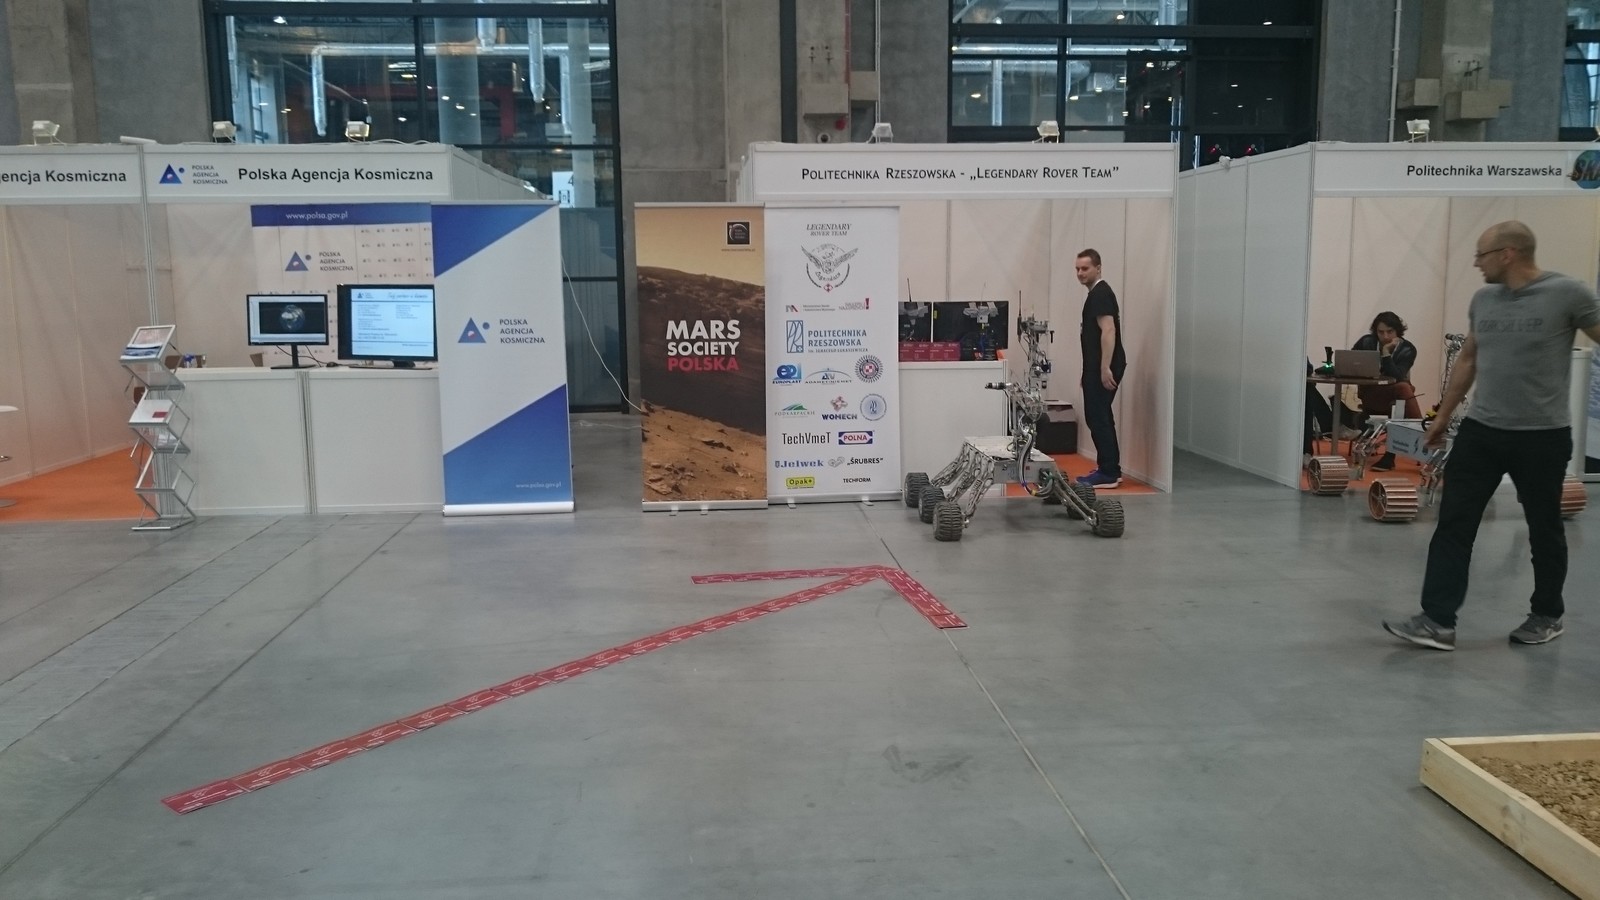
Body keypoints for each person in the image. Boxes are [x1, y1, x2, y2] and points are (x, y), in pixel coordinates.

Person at [1383, 221, 1600, 650]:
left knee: (1544, 529)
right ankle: (1437, 620)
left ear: (1508, 253)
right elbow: (1468, 358)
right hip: (1481, 432)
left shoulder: (1568, 293)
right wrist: (1442, 416)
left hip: (1542, 436)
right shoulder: (1483, 299)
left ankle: (1547, 613)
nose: (1476, 264)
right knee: (1454, 523)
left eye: (1480, 255)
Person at [1073, 250, 1126, 488]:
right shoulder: (1096, 294)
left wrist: (1104, 368)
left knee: (1098, 417)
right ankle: (1110, 468)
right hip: (1096, 367)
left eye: (1085, 268)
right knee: (1100, 416)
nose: (1080, 273)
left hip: (1105, 366)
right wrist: (1088, 372)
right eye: (1077, 269)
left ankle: (1108, 472)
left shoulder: (1101, 294)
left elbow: (1108, 330)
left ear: (1098, 268)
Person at [1352, 311, 1422, 470]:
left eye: (1390, 331)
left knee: (1401, 396)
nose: (1385, 336)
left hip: (1394, 398)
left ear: (1398, 331)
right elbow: (1351, 362)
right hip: (1370, 394)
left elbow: (1397, 375)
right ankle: (1424, 435)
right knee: (1404, 389)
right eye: (1380, 332)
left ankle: (1390, 457)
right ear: (1375, 331)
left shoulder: (1408, 349)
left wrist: (1385, 353)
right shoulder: (1366, 342)